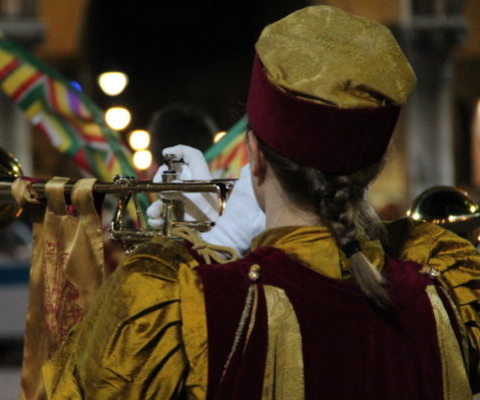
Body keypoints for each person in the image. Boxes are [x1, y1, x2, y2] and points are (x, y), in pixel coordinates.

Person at [42, 6, 480, 398]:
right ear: (376, 166)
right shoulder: (447, 288)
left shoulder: (184, 303)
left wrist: (202, 247)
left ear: (253, 158)